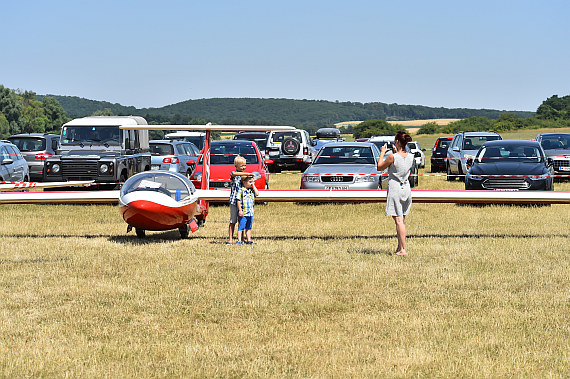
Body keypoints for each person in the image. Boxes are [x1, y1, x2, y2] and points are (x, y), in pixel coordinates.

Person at [377, 131, 414, 256]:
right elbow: (402, 161)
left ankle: (403, 249)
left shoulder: (392, 157)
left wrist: (382, 152)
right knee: (402, 218)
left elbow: (379, 167)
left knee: (398, 220)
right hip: (406, 188)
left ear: (397, 141)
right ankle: (400, 246)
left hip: (395, 188)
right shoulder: (411, 156)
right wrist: (395, 151)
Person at [228, 155, 252, 244]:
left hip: (243, 202)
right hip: (234, 201)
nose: (244, 167)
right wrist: (247, 174)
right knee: (233, 221)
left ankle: (241, 239)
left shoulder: (245, 176)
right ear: (236, 166)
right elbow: (234, 174)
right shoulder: (234, 174)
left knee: (241, 221)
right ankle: (230, 239)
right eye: (241, 166)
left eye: (245, 165)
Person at [236, 175, 259, 244]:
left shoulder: (251, 191)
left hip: (250, 213)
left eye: (252, 182)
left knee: (249, 228)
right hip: (244, 212)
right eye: (249, 182)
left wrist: (254, 186)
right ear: (244, 182)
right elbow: (238, 200)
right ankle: (239, 240)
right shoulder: (241, 191)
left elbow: (257, 194)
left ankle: (249, 239)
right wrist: (240, 210)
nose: (251, 183)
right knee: (241, 227)